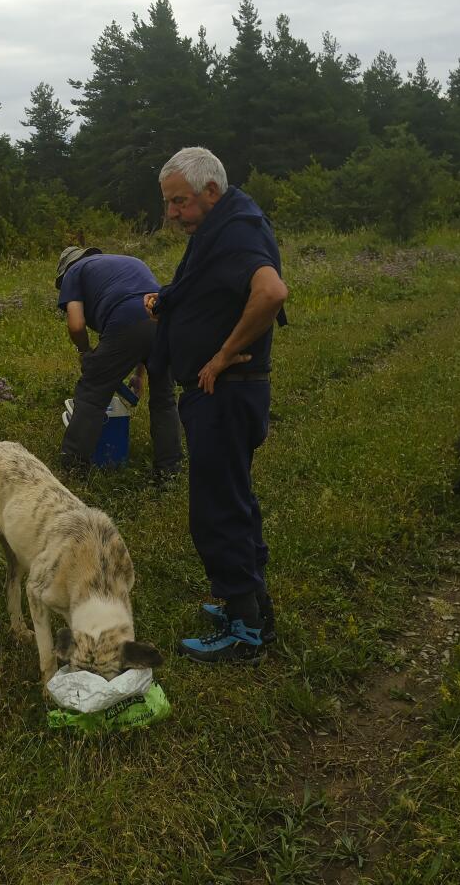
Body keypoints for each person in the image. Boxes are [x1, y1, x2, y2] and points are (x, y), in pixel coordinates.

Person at [145, 147, 288, 665]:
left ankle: (243, 629)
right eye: (168, 204)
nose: (173, 214)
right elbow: (213, 290)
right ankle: (255, 607)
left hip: (224, 393)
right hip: (226, 395)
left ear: (210, 191)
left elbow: (271, 293)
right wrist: (168, 300)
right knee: (234, 497)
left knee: (217, 508)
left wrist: (222, 355)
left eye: (180, 202)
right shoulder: (222, 227)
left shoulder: (239, 231)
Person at [56, 245, 181, 481]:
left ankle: (73, 471)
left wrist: (85, 352)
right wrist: (139, 375)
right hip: (164, 323)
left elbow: (76, 325)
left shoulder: (74, 272)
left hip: (124, 321)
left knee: (92, 393)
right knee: (164, 399)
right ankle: (169, 471)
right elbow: (146, 316)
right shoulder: (132, 261)